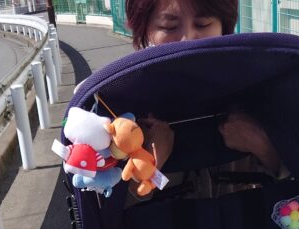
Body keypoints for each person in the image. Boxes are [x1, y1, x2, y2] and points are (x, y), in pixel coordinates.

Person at [123, 0, 287, 183]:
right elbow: (111, 196)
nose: (187, 39)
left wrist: (263, 147)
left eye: (202, 24)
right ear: (144, 29)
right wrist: (149, 167)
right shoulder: (125, 98)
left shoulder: (255, 84)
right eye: (169, 27)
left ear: (224, 27)